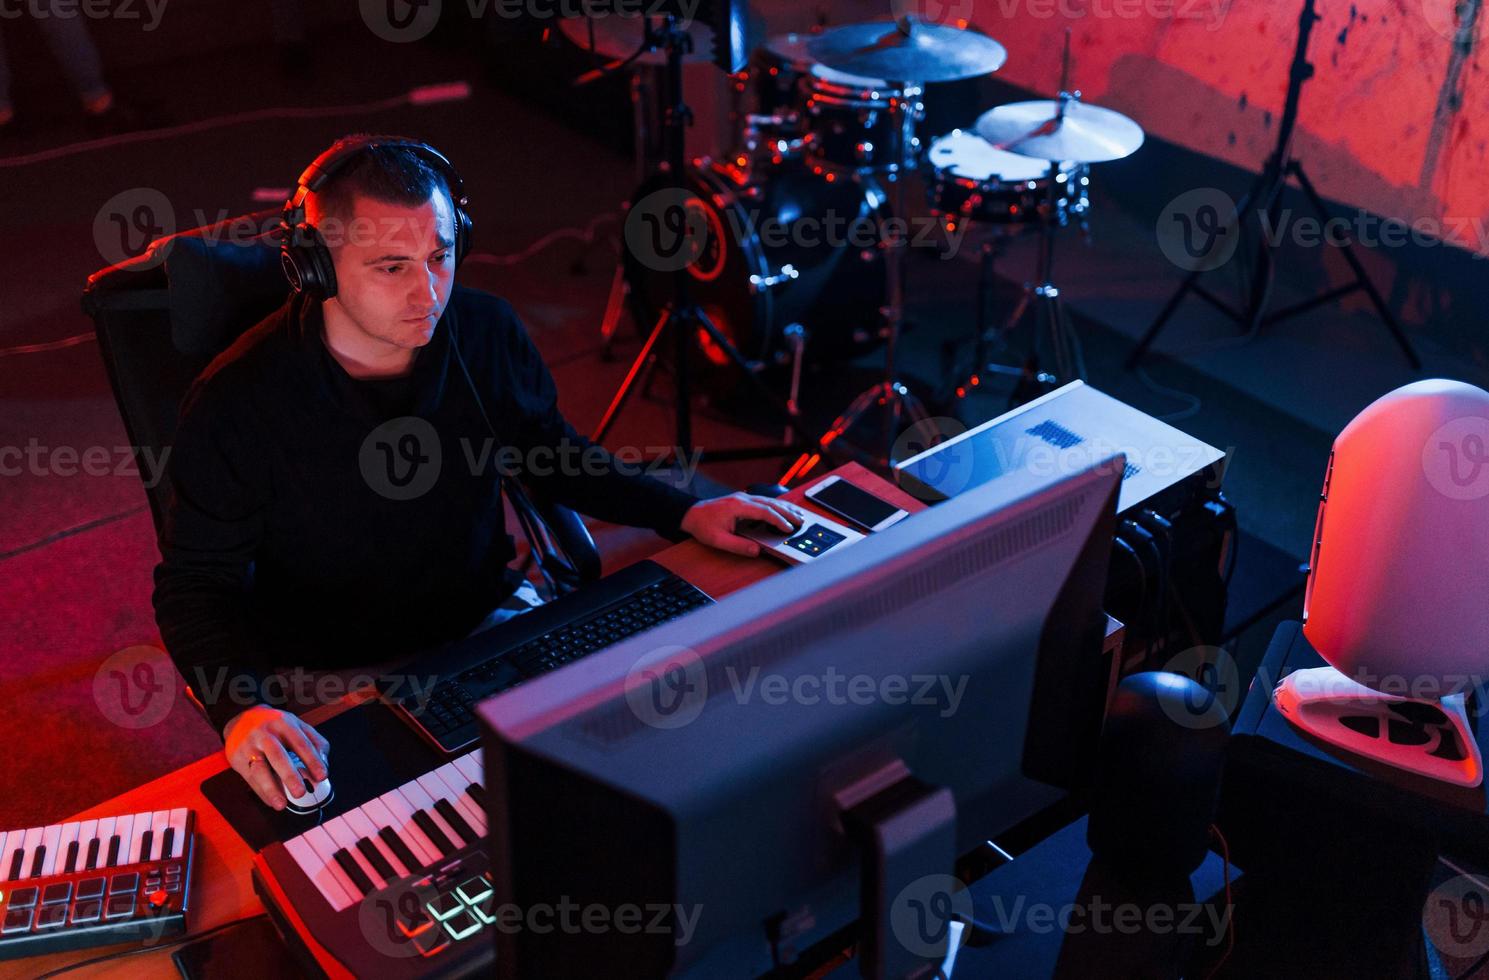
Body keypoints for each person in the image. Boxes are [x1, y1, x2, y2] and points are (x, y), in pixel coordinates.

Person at [152, 134, 803, 810]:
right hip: (331, 675)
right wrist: (241, 709)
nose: (427, 293)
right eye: (391, 268)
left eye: (440, 256)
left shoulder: (483, 332)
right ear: (315, 270)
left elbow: (550, 454)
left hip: (484, 628)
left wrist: (682, 511)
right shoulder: (237, 403)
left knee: (646, 773)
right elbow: (196, 587)